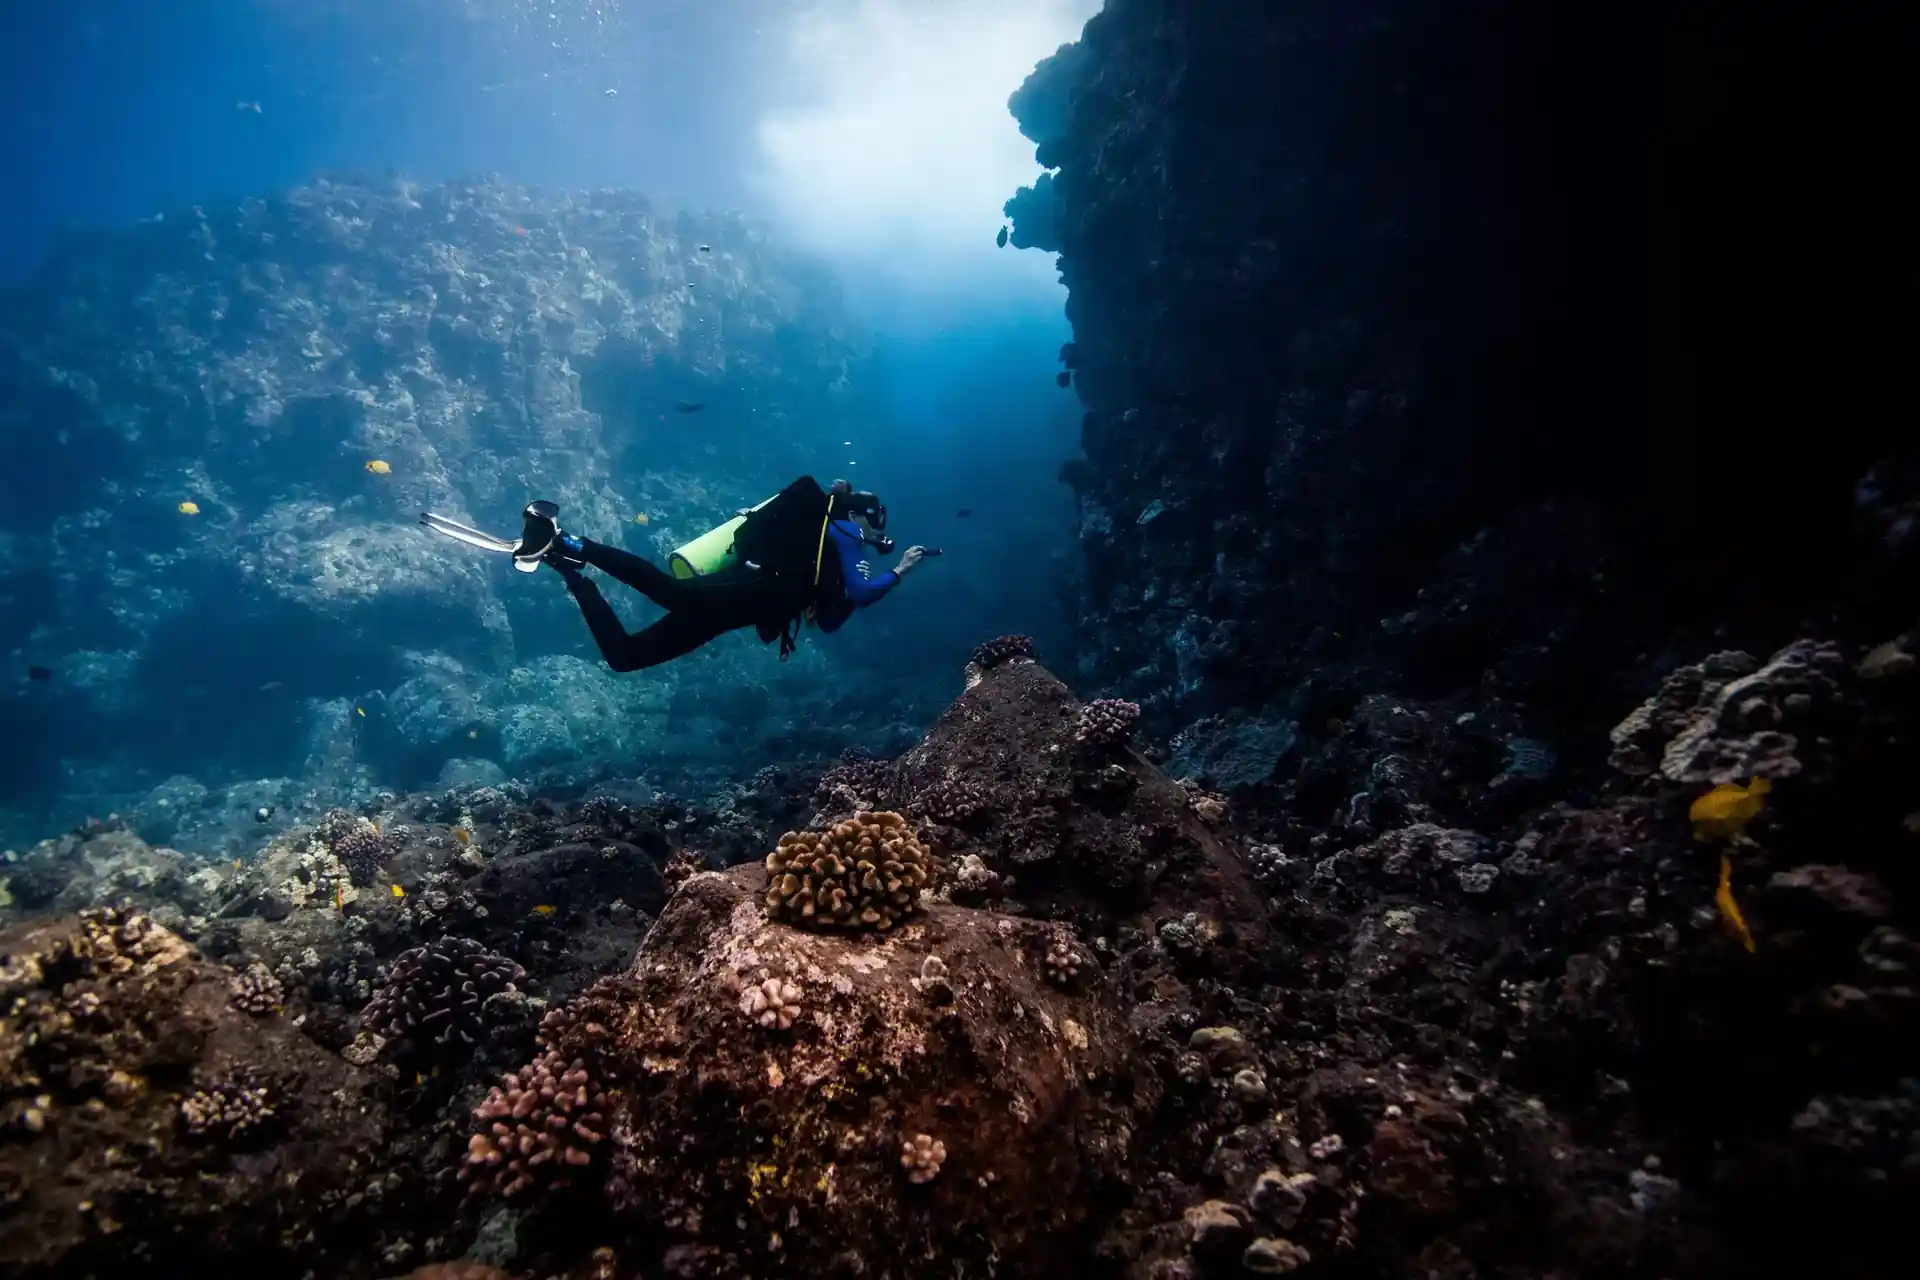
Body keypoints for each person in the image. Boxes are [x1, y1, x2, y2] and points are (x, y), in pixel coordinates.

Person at [518, 477, 932, 672]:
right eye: (874, 521)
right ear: (858, 512)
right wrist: (899, 571)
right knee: (669, 592)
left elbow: (832, 613)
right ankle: (569, 542)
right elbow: (860, 596)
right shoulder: (845, 530)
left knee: (626, 658)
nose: (875, 532)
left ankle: (568, 569)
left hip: (735, 608)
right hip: (749, 589)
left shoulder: (835, 539)